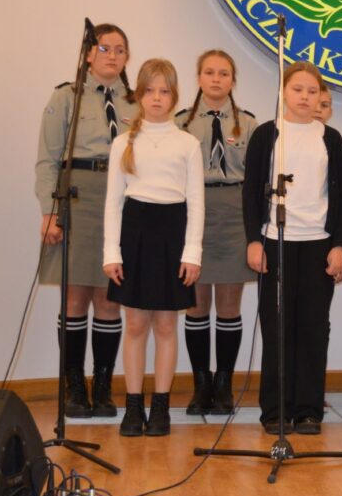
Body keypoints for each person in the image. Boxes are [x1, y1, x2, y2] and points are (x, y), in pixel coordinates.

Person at [35, 23, 139, 419]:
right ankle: (74, 385)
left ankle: (103, 385)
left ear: (127, 58)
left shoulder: (136, 103)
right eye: (104, 48)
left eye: (120, 50)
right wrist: (49, 211)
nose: (112, 55)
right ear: (89, 55)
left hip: (123, 200)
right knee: (76, 295)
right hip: (78, 195)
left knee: (110, 298)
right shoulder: (67, 98)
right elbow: (47, 159)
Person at [243, 61, 342, 435]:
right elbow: (250, 191)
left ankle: (308, 410)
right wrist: (254, 240)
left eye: (312, 90)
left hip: (317, 245)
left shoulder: (331, 139)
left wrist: (339, 246)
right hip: (276, 243)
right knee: (276, 328)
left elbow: (340, 197)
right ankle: (276, 409)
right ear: (283, 93)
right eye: (297, 89)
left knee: (312, 329)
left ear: (321, 95)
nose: (305, 97)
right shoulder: (266, 135)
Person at [103, 59, 205, 436]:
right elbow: (113, 203)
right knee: (135, 324)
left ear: (175, 96)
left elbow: (196, 203)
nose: (157, 98)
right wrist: (111, 252)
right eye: (150, 91)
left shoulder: (188, 144)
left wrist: (191, 253)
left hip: (172, 234)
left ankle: (160, 406)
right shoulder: (122, 143)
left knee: (165, 324)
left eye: (164, 91)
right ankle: (133, 407)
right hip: (135, 234)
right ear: (139, 95)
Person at [175, 50, 257, 415]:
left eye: (224, 73)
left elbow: (257, 179)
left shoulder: (250, 125)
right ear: (198, 77)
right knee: (195, 305)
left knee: (228, 304)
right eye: (209, 72)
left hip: (234, 212)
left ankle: (224, 384)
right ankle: (200, 383)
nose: (216, 79)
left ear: (233, 80)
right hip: (193, 212)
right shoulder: (181, 124)